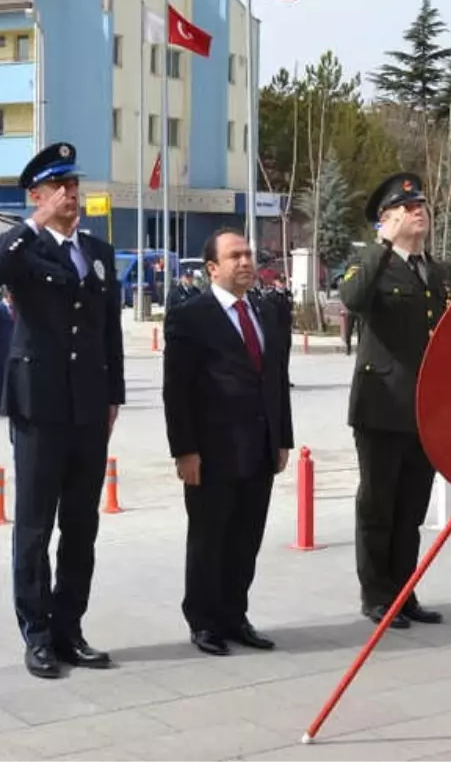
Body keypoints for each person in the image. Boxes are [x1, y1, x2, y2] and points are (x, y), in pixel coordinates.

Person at [0, 142, 124, 680]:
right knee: (35, 528)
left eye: (74, 186)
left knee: (81, 525)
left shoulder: (99, 253)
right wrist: (32, 223)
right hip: (40, 406)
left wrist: (114, 397)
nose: (71, 196)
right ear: (37, 196)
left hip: (88, 408)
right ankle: (37, 634)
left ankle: (70, 628)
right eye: (59, 189)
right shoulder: (24, 250)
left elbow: (109, 334)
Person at [162, 229, 294, 656]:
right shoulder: (191, 315)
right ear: (212, 268)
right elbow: (176, 390)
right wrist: (185, 450)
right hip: (212, 451)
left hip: (259, 447)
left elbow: (275, 379)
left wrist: (282, 438)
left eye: (248, 254)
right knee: (209, 537)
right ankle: (204, 621)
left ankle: (235, 615)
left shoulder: (266, 311)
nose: (245, 262)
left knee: (246, 537)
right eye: (234, 256)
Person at [338, 172, 451, 630]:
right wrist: (380, 246)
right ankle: (377, 595)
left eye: (422, 205)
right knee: (378, 506)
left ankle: (405, 593)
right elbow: (352, 297)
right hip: (381, 407)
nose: (419, 211)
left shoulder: (436, 270)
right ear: (386, 220)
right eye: (407, 208)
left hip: (424, 410)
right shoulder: (372, 263)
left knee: (411, 508)